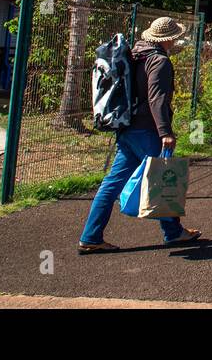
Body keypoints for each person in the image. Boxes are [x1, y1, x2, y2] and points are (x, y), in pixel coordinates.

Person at [79, 16, 202, 253]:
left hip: (126, 126)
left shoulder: (134, 55)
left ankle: (90, 236)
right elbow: (158, 99)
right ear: (170, 39)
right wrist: (165, 132)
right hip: (147, 129)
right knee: (163, 178)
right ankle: (174, 232)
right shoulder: (159, 62)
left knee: (111, 184)